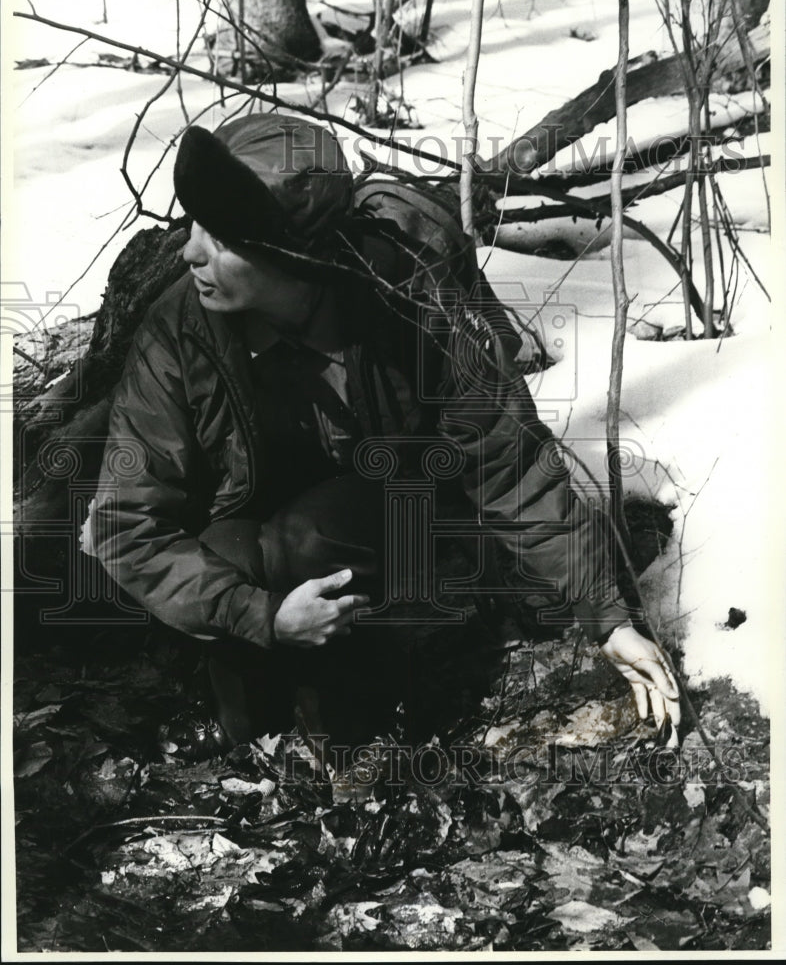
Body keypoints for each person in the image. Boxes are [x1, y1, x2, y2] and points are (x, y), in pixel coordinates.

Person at [90, 112, 680, 757]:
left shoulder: (409, 297)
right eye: (194, 227)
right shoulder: (178, 329)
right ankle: (257, 743)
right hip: (248, 521)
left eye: (222, 240)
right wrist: (260, 617)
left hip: (390, 509)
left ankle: (353, 745)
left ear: (292, 258)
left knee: (309, 539)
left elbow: (507, 465)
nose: (189, 252)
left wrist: (607, 618)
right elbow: (127, 520)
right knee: (230, 557)